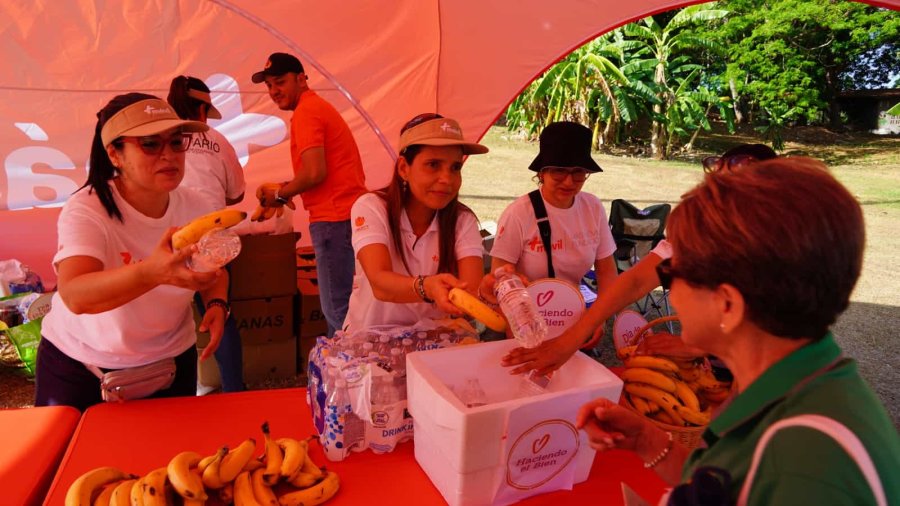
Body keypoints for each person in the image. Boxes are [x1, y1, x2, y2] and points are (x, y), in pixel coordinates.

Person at [576, 157, 900, 504]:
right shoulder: (779, 387)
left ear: (727, 306)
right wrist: (645, 440)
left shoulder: (809, 466)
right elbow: (725, 485)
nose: (670, 292)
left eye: (672, 274)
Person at [503, 144, 777, 376]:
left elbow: (784, 330)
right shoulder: (700, 233)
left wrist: (701, 346)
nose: (718, 202)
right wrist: (571, 339)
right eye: (715, 189)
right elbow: (635, 281)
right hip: (714, 370)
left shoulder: (783, 250)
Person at [34, 93, 230, 411]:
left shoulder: (197, 206)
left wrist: (217, 303)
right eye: (151, 144)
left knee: (167, 457)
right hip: (80, 367)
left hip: (171, 362)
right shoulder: (87, 209)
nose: (168, 155)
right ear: (115, 154)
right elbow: (75, 295)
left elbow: (214, 269)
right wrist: (151, 272)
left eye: (176, 142)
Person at [251, 52, 367, 338]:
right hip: (344, 214)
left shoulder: (307, 112)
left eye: (280, 82)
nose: (274, 91)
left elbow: (315, 173)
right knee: (343, 305)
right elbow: (314, 173)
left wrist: (280, 194)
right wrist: (288, 187)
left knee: (336, 309)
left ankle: (350, 373)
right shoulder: (315, 107)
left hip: (333, 218)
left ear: (302, 79)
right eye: (268, 86)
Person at [342, 113, 488, 331]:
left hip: (434, 341)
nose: (447, 179)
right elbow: (380, 284)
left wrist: (491, 294)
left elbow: (470, 294)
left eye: (455, 167)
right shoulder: (371, 207)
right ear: (403, 168)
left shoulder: (463, 221)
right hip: (370, 340)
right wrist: (427, 287)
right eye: (433, 164)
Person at [488, 121, 618, 340]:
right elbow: (500, 277)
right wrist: (520, 328)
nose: (569, 182)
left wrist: (598, 317)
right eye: (559, 172)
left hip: (573, 315)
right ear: (542, 172)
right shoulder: (519, 214)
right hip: (525, 319)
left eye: (578, 173)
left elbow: (606, 270)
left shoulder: (592, 207)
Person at [167, 75, 246, 392]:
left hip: (168, 233)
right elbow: (237, 193)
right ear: (203, 109)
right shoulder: (218, 140)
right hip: (211, 234)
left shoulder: (163, 139)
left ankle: (176, 392)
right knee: (218, 309)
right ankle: (233, 389)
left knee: (167, 316)